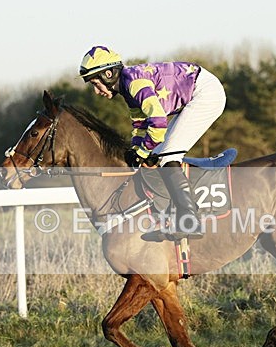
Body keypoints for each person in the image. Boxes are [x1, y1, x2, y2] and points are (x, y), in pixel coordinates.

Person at [79, 45, 226, 241]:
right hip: (197, 90)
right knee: (157, 153)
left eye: (96, 84)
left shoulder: (134, 83)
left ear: (108, 74)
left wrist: (141, 151)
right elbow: (141, 125)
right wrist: (135, 149)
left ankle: (191, 221)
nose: (97, 91)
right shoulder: (127, 86)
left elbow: (157, 122)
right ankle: (171, 214)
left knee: (168, 155)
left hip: (205, 93)